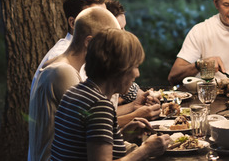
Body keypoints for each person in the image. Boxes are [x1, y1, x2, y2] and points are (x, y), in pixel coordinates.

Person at [51, 29, 170, 161]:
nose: (137, 74)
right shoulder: (99, 106)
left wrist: (123, 134)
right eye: (135, 66)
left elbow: (84, 147)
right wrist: (146, 150)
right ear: (119, 69)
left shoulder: (73, 93)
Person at [28, 7, 120, 161]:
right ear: (89, 42)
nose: (113, 50)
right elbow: (95, 128)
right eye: (109, 43)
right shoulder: (63, 72)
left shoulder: (61, 67)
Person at [31, 0, 106, 93]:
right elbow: (83, 108)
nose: (107, 23)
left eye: (107, 16)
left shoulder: (87, 52)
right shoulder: (62, 60)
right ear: (73, 23)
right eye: (96, 18)